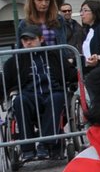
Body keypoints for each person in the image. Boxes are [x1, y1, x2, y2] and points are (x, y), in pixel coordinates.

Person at [3, 23, 77, 161]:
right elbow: (4, 82)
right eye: (25, 40)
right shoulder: (15, 60)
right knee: (19, 101)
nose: (28, 43)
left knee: (56, 99)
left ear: (41, 39)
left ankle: (45, 145)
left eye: (31, 39)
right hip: (29, 95)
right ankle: (27, 149)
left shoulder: (54, 54)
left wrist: (84, 63)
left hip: (52, 92)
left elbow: (71, 74)